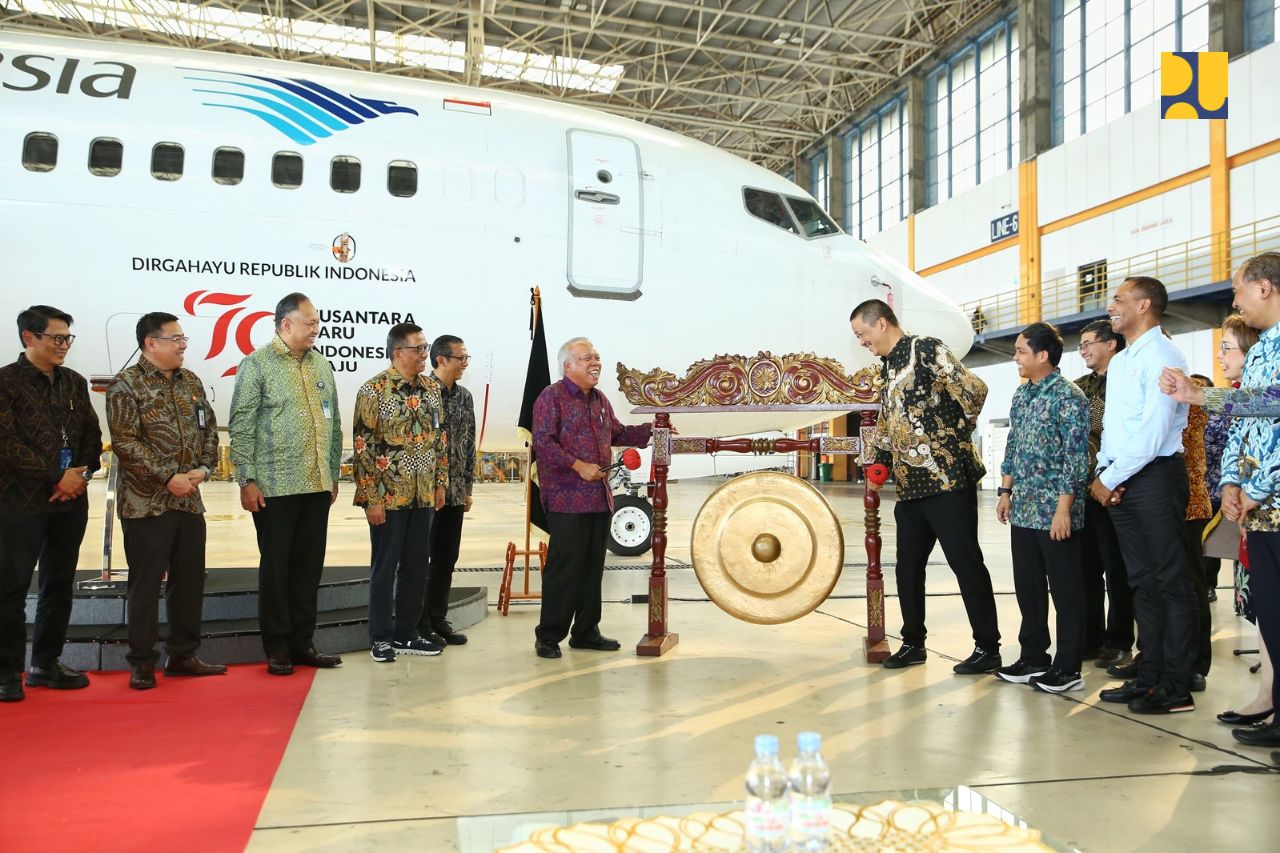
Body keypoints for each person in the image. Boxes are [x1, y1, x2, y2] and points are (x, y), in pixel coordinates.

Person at [1161, 254, 1280, 746]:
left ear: (1265, 288)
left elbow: (1274, 403)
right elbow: (1244, 426)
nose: (1234, 300)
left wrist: (1201, 397)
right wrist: (1231, 482)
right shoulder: (1264, 347)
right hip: (1259, 509)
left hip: (1270, 499)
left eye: (1238, 289)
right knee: (1271, 613)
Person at [850, 299, 1001, 674]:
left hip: (946, 482)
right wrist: (880, 461)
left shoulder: (927, 349)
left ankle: (988, 648)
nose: (862, 342)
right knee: (907, 570)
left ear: (881, 324)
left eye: (862, 334)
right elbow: (888, 421)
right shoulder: (888, 367)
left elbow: (974, 391)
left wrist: (950, 435)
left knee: (965, 564)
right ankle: (913, 644)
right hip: (909, 488)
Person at [107, 312, 227, 690]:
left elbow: (208, 428)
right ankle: (142, 661)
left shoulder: (190, 381)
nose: (182, 345)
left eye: (183, 338)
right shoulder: (126, 384)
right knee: (145, 585)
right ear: (150, 343)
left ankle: (183, 655)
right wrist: (167, 476)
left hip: (188, 499)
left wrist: (204, 468)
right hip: (146, 503)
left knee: (189, 581)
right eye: (175, 338)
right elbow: (125, 442)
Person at [1093, 277, 1195, 715]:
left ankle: (1176, 685)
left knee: (1170, 581)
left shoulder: (1163, 355)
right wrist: (1106, 472)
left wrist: (1111, 477)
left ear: (1144, 305)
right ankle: (1150, 675)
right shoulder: (1121, 361)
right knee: (1142, 582)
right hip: (1123, 477)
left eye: (1118, 299)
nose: (1110, 306)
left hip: (1155, 477)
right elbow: (1115, 428)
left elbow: (1154, 432)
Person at [229, 292, 344, 676]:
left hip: (316, 484)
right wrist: (246, 479)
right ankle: (277, 646)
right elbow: (241, 424)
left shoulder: (321, 364)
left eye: (317, 322)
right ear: (285, 324)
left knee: (309, 569)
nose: (316, 328)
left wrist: (332, 472)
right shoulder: (257, 364)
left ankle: (303, 642)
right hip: (274, 487)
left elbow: (334, 422)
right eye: (309, 322)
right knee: (277, 570)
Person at [0, 306, 102, 702]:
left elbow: (92, 434)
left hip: (69, 503)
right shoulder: (6, 382)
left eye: (67, 338)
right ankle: (7, 671)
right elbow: (6, 444)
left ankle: (45, 663)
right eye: (56, 338)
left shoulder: (73, 382)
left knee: (58, 587)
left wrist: (80, 474)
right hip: (18, 504)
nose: (64, 345)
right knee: (10, 590)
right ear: (29, 337)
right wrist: (55, 475)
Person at [532, 337, 652, 659]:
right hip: (566, 500)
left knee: (591, 570)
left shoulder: (599, 399)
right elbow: (543, 442)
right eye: (587, 358)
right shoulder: (551, 397)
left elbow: (617, 433)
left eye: (596, 357)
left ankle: (586, 632)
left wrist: (653, 429)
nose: (595, 363)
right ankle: (548, 636)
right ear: (568, 366)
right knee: (565, 570)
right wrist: (577, 465)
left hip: (599, 498)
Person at [994, 323, 1090, 692]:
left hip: (1055, 511)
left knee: (1066, 592)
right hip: (1024, 508)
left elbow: (1076, 457)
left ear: (1043, 355)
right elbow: (1014, 443)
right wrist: (1006, 491)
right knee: (1028, 587)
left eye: (1021, 351)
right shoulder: (1022, 395)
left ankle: (1068, 669)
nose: (1015, 357)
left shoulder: (1069, 397)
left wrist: (1064, 509)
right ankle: (1033, 657)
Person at [352, 323, 448, 663]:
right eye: (418, 348)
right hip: (388, 497)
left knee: (416, 568)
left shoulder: (431, 389)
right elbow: (362, 447)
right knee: (384, 569)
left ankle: (406, 633)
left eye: (425, 348)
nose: (425, 354)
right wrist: (371, 498)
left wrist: (440, 482)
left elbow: (440, 438)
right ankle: (380, 637)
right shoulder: (374, 390)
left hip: (423, 496)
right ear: (397, 353)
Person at [1072, 319, 1135, 669]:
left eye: (1088, 343)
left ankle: (1119, 640)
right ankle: (1090, 637)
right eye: (1080, 345)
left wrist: (1115, 479)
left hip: (1115, 488)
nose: (1082, 350)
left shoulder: (1126, 381)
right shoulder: (1078, 386)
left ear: (1111, 344)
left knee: (1118, 570)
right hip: (1083, 491)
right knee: (1086, 569)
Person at [420, 334, 476, 647]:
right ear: (441, 359)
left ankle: (438, 619)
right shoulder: (422, 392)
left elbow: (469, 444)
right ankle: (419, 622)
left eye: (467, 358)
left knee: (445, 559)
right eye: (460, 358)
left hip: (455, 493)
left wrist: (467, 487)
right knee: (420, 560)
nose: (465, 363)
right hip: (427, 495)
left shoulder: (464, 396)